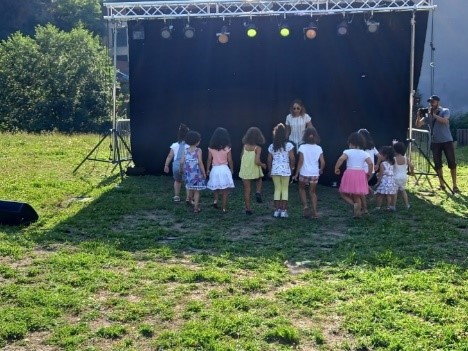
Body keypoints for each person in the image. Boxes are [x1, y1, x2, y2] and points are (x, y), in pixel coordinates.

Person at [415, 95, 459, 193]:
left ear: (438, 102)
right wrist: (418, 116)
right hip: (435, 142)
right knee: (438, 164)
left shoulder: (445, 111)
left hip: (447, 141)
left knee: (452, 163)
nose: (431, 104)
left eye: (433, 102)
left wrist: (433, 114)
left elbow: (445, 121)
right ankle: (442, 184)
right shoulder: (428, 114)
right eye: (430, 102)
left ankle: (455, 185)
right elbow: (418, 124)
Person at [334, 132, 373, 218]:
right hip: (360, 174)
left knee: (343, 193)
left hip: (350, 173)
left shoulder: (348, 152)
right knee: (357, 194)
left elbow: (341, 159)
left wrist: (336, 168)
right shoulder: (364, 153)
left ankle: (355, 205)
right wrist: (369, 173)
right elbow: (370, 164)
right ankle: (357, 213)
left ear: (351, 142)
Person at [293, 127, 325, 219]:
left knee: (301, 189)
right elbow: (322, 162)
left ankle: (305, 206)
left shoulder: (302, 147)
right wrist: (321, 169)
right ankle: (315, 212)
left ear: (305, 136)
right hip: (314, 173)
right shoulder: (319, 148)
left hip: (304, 172)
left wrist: (296, 173)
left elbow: (301, 161)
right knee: (313, 192)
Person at [267, 123, 295, 218]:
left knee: (277, 190)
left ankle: (276, 210)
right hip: (285, 170)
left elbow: (269, 159)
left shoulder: (272, 146)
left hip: (275, 170)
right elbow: (292, 158)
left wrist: (270, 170)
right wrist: (292, 167)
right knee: (285, 190)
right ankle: (284, 210)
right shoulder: (289, 145)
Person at [206, 127, 235, 213]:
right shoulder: (227, 147)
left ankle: (215, 201)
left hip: (215, 169)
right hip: (224, 169)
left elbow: (209, 159)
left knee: (216, 186)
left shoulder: (211, 148)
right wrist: (232, 169)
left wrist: (207, 169)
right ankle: (224, 208)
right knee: (225, 189)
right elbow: (230, 160)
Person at [239, 127, 267, 215]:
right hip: (254, 169)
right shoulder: (257, 148)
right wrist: (263, 165)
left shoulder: (244, 146)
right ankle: (258, 192)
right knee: (259, 178)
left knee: (247, 190)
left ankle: (248, 209)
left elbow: (241, 157)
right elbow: (257, 161)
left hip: (245, 170)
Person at [179, 130, 207, 213]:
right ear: (197, 141)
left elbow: (181, 162)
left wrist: (181, 170)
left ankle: (190, 200)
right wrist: (204, 173)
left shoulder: (185, 150)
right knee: (197, 191)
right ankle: (196, 208)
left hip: (188, 173)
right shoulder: (198, 150)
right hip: (197, 174)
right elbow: (200, 162)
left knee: (190, 188)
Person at [163, 123, 190, 203]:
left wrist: (166, 165)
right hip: (186, 165)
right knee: (187, 182)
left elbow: (170, 156)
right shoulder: (189, 146)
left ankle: (176, 196)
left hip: (175, 165)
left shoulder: (174, 145)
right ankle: (188, 198)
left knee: (177, 180)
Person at [357, 128, 379, 214]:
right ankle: (372, 194)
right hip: (371, 171)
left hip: (363, 171)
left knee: (361, 189)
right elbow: (380, 156)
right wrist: (377, 164)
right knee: (363, 186)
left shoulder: (360, 148)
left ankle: (364, 208)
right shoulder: (372, 147)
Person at [392, 141, 415, 209]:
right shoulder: (406, 158)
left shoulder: (394, 159)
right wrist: (412, 172)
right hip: (404, 177)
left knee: (395, 192)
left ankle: (393, 206)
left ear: (395, 150)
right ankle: (407, 205)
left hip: (395, 177)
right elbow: (412, 166)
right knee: (403, 190)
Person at [374, 146, 397, 211]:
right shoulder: (393, 162)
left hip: (384, 181)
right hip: (391, 181)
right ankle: (388, 207)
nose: (380, 156)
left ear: (385, 155)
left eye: (381, 154)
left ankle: (378, 207)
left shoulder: (382, 164)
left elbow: (381, 174)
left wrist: (378, 182)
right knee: (388, 195)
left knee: (380, 195)